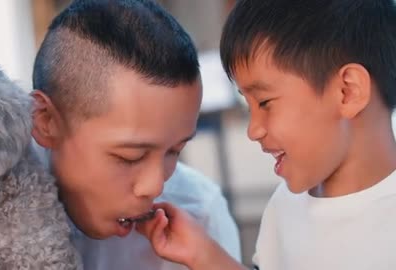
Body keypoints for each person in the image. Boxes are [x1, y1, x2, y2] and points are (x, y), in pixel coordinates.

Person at [137, 0, 396, 269]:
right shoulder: (285, 205)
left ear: (348, 91)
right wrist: (205, 256)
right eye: (248, 107)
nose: (254, 130)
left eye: (264, 102)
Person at [30, 0, 242, 269]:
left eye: (174, 151)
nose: (155, 186)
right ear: (45, 121)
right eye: (131, 157)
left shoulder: (199, 214)